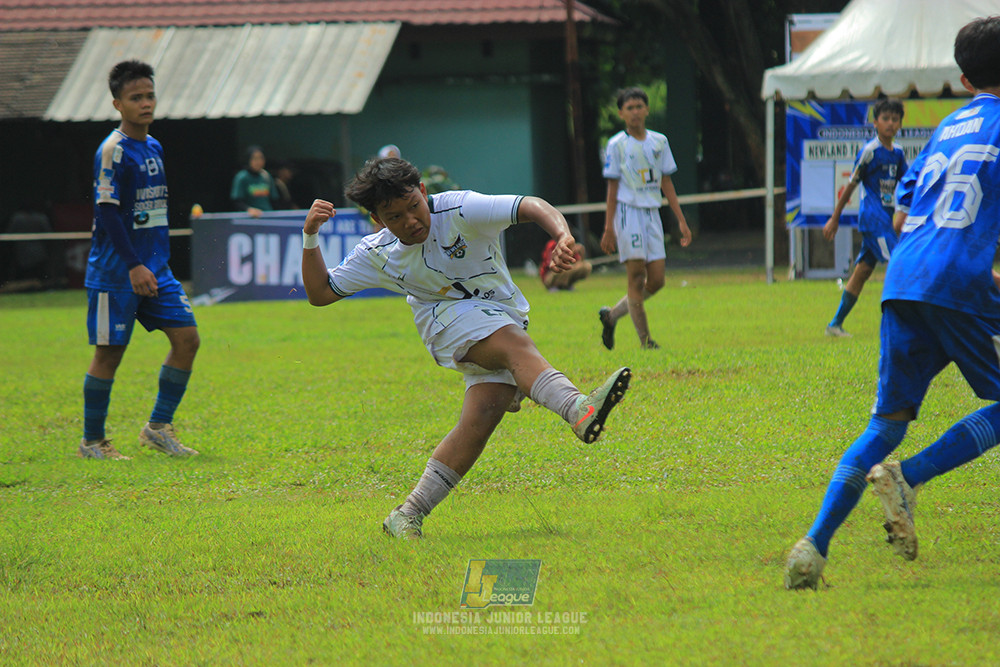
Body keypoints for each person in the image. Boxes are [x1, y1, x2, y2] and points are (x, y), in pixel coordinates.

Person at [300, 157, 632, 538]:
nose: (411, 220)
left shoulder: (460, 209)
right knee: (512, 344)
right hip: (443, 324)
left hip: (501, 312)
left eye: (414, 206)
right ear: (378, 220)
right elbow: (320, 292)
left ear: (423, 191)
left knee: (478, 424)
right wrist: (310, 236)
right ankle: (578, 409)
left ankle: (406, 515)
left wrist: (563, 236)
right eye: (395, 217)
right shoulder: (377, 252)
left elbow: (529, 205)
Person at [785, 16, 1000, 590]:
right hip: (959, 281)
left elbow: (905, 217)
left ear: (963, 79)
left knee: (885, 423)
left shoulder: (948, 127)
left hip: (906, 275)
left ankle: (812, 548)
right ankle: (910, 477)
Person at [80, 59, 200, 460]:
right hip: (116, 271)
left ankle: (157, 428)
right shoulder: (112, 151)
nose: (145, 103)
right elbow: (107, 212)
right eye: (136, 98)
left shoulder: (154, 146)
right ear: (118, 104)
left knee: (187, 339)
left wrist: (150, 262)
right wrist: (133, 264)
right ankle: (92, 442)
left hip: (156, 268)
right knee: (109, 353)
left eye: (149, 95)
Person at [598, 86, 692, 351]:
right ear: (621, 113)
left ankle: (611, 316)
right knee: (637, 278)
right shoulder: (617, 145)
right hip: (628, 213)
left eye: (639, 106)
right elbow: (612, 188)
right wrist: (608, 227)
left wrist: (681, 219)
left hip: (652, 214)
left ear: (647, 110)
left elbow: (666, 182)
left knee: (658, 280)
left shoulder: (659, 142)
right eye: (629, 108)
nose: (635, 112)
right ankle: (646, 341)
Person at [822, 98, 908, 337]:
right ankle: (900, 325)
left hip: (885, 219)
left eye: (895, 119)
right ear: (875, 123)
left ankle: (835, 324)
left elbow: (908, 182)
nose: (890, 123)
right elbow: (851, 184)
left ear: (900, 124)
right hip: (873, 219)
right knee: (899, 263)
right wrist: (835, 217)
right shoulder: (870, 152)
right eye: (885, 119)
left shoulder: (898, 153)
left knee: (862, 272)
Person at [230, 145, 278, 217]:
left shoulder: (266, 176)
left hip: (267, 216)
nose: (258, 162)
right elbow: (237, 201)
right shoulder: (242, 177)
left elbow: (274, 199)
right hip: (250, 218)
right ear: (248, 160)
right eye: (255, 158)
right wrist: (249, 209)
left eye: (261, 158)